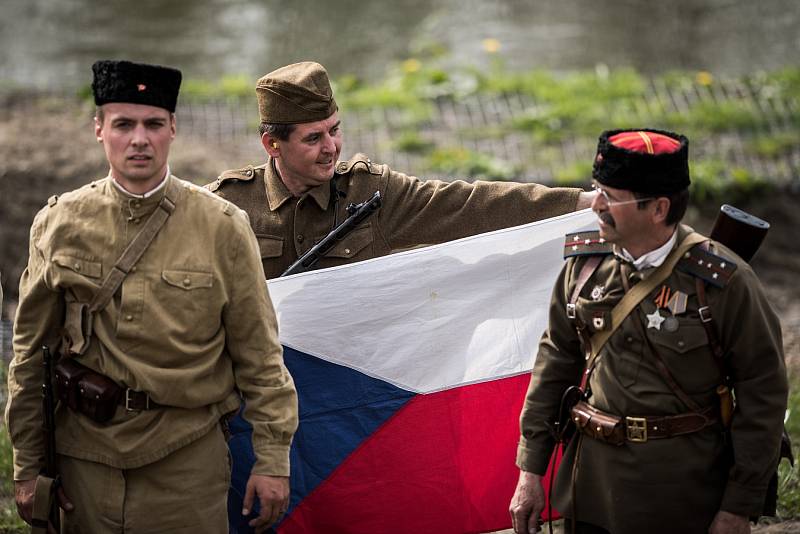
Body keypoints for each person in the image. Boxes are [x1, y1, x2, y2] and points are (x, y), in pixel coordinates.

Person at [5, 60, 298, 534]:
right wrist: (28, 466)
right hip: (86, 461)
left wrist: (272, 458)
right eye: (123, 124)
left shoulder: (222, 228)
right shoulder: (59, 224)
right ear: (99, 129)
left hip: (185, 462)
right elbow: (29, 356)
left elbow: (260, 356)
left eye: (153, 124)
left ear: (173, 129)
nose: (139, 139)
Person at [509, 129, 788, 534]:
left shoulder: (723, 283)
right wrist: (530, 470)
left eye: (611, 197)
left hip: (683, 495)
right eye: (596, 190)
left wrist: (737, 507)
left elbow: (763, 394)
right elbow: (555, 362)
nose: (596, 205)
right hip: (591, 490)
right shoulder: (584, 266)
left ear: (658, 209)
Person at [206, 61, 596, 279]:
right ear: (272, 144)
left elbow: (468, 206)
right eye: (313, 139)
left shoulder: (369, 192)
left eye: (335, 131)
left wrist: (582, 203)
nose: (331, 148)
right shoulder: (225, 207)